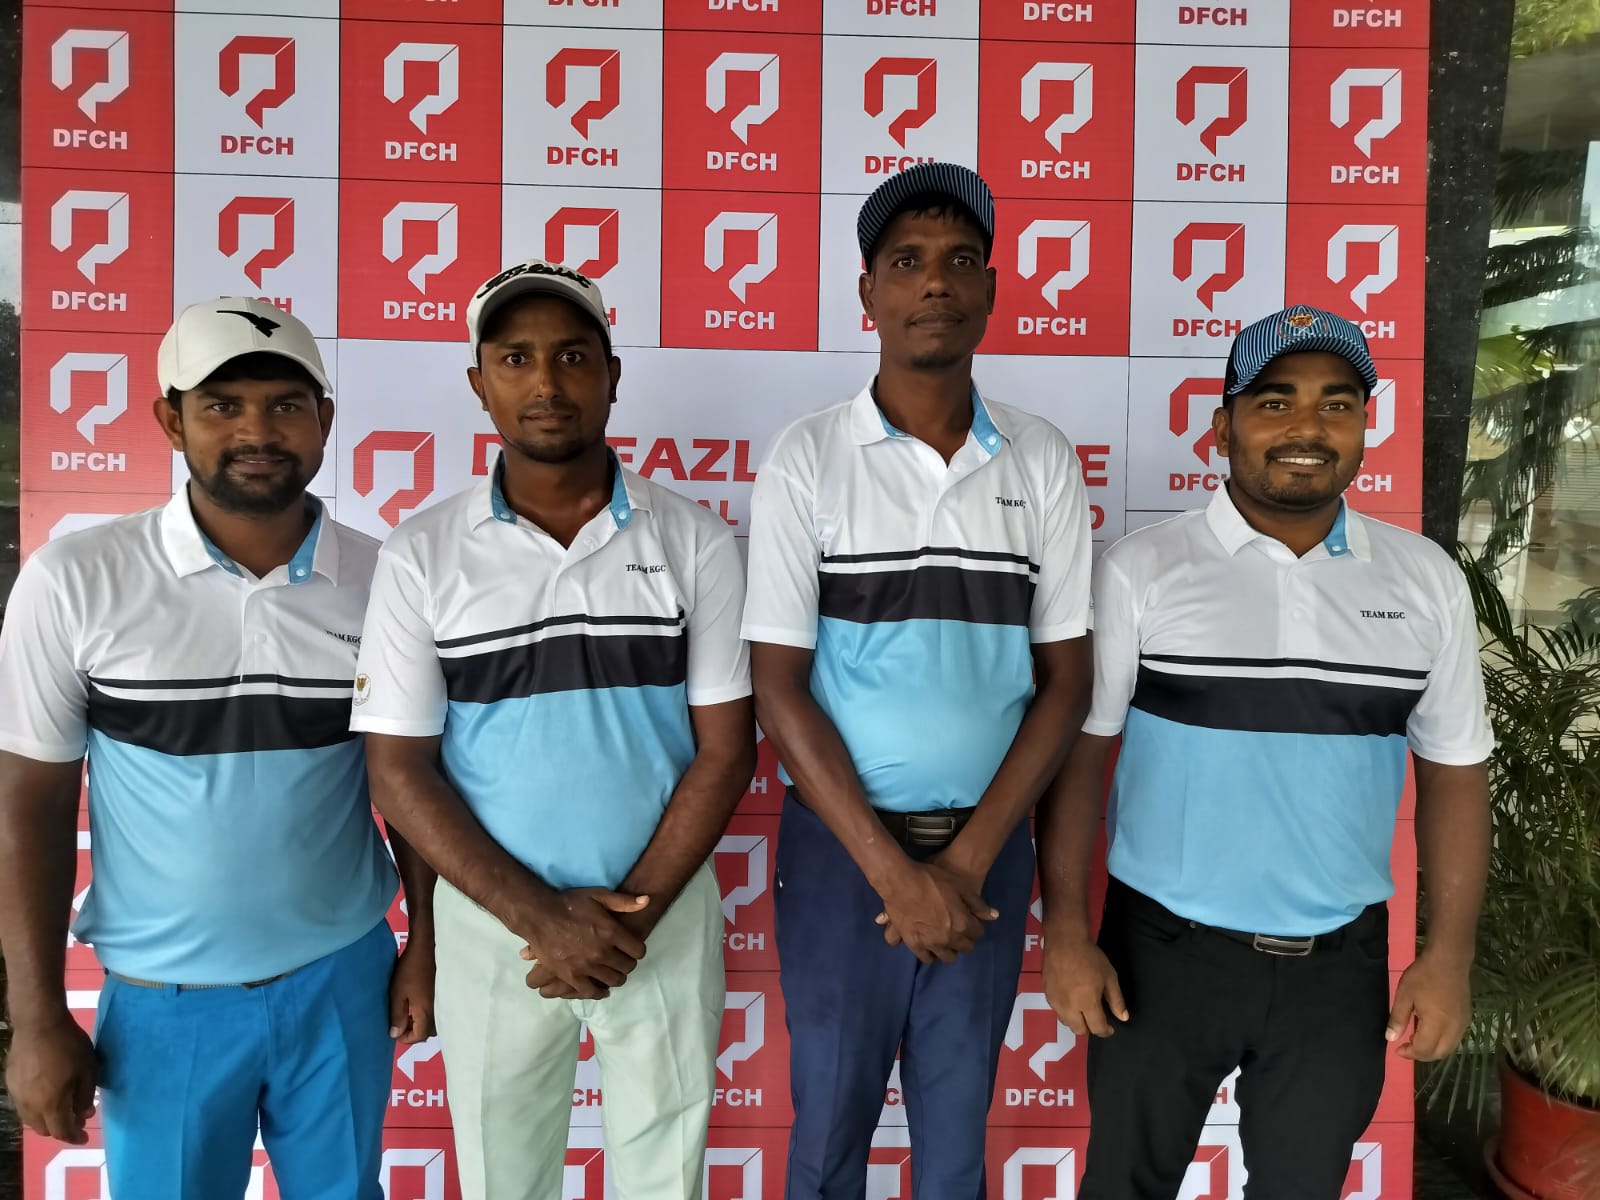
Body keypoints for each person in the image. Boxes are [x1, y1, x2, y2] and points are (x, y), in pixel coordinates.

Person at [1038, 305, 1494, 1199]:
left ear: (1366, 426)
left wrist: (1447, 957)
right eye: (1275, 401)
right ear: (1223, 427)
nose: (1306, 428)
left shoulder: (1426, 579)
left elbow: (1456, 777)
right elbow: (1081, 762)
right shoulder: (1141, 569)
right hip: (1161, 955)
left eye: (1337, 405)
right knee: (1122, 1186)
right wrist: (1064, 933)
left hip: (1339, 969)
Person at [0, 297, 435, 1200]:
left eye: (285, 405)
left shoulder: (387, 580)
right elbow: (30, 804)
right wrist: (35, 1016)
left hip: (344, 982)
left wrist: (424, 941)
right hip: (163, 1004)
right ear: (171, 420)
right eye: (222, 406)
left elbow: (412, 782)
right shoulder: (77, 580)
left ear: (325, 419)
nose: (257, 431)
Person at [353, 259, 755, 1200]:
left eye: (573, 356)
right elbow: (398, 770)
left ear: (612, 374)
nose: (546, 382)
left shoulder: (693, 539)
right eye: (516, 358)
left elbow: (727, 749)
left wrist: (629, 920)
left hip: (659, 919)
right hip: (493, 929)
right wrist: (538, 919)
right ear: (478, 381)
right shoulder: (423, 553)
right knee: (505, 1180)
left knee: (666, 1182)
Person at [741, 162, 1095, 1199]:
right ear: (868, 292)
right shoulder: (808, 456)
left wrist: (968, 862)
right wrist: (898, 879)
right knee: (826, 1140)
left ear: (991, 288)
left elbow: (1065, 682)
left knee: (954, 1149)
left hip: (988, 859)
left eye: (958, 260)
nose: (934, 281)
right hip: (842, 861)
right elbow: (777, 686)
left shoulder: (1041, 457)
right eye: (906, 262)